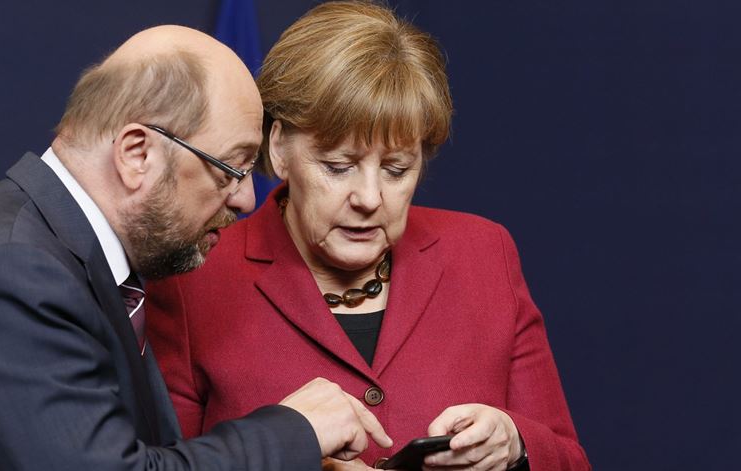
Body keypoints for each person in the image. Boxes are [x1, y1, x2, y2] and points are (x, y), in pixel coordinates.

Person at [0, 25, 393, 470]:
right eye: (229, 169)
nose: (246, 198)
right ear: (138, 154)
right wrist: (295, 432)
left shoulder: (72, 257)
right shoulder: (15, 270)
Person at [147, 2, 591, 470]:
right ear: (277, 148)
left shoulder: (484, 253)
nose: (369, 197)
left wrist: (516, 443)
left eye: (397, 169)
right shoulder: (194, 278)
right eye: (338, 167)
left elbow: (571, 460)